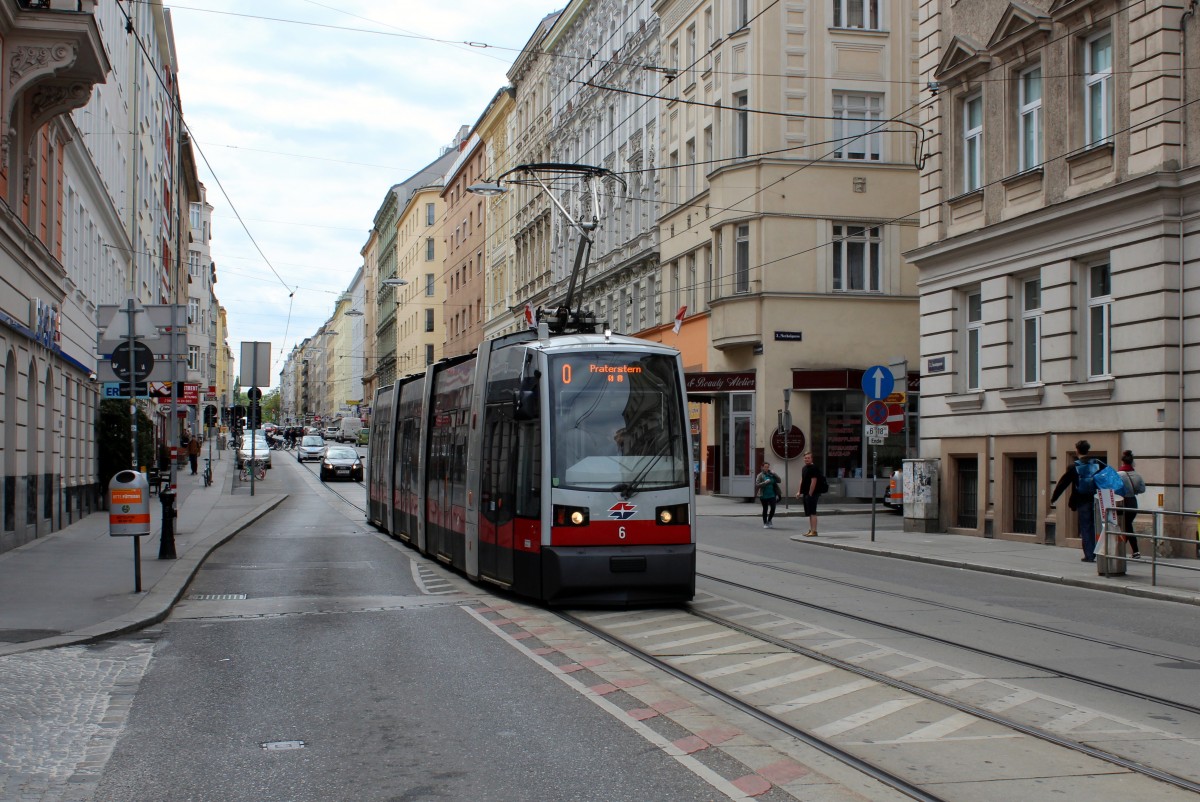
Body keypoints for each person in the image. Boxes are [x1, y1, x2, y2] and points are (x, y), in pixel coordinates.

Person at [1050, 439, 1104, 562]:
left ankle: (1089, 555)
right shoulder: (1097, 464)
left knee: (1085, 527)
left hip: (1082, 500)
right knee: (1097, 526)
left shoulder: (1074, 466)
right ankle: (1099, 551)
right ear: (1088, 450)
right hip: (1096, 499)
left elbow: (1063, 483)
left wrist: (1054, 498)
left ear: (1077, 450)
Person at [1118, 449, 1141, 559]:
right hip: (1133, 501)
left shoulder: (1118, 474)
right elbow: (1142, 489)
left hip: (1123, 501)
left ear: (1122, 462)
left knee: (1126, 526)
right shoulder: (1137, 475)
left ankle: (1133, 550)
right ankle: (1129, 550)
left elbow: (1115, 488)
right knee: (1127, 525)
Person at [797, 451, 825, 537]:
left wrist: (810, 493)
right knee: (809, 512)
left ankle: (814, 531)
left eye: (808, 458)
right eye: (805, 458)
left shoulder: (813, 468)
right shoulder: (804, 468)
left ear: (812, 459)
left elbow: (814, 481)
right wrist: (799, 491)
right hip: (806, 493)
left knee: (813, 512)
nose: (806, 459)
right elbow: (802, 480)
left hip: (813, 493)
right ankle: (811, 530)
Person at [755, 462, 781, 528]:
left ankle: (769, 520)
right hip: (763, 495)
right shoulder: (760, 475)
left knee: (773, 507)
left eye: (767, 467)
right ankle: (765, 523)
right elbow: (757, 484)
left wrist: (774, 473)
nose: (766, 468)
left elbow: (779, 480)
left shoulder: (771, 474)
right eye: (765, 467)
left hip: (772, 494)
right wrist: (765, 482)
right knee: (765, 509)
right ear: (762, 467)